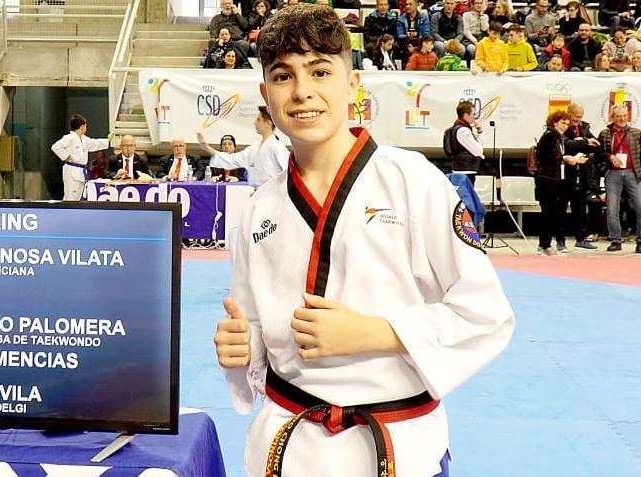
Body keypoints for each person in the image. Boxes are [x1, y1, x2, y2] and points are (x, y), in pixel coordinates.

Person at [214, 6, 514, 477]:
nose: (302, 92)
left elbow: (486, 314)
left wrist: (379, 333)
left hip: (396, 447)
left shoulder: (413, 181)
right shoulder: (258, 208)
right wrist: (243, 345)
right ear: (265, 95)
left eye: (319, 71)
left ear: (352, 85)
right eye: (282, 76)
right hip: (288, 445)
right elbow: (254, 322)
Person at [596, 104, 641, 253]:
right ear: (612, 117)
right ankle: (615, 239)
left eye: (624, 116)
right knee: (612, 208)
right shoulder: (605, 133)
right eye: (618, 116)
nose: (622, 119)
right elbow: (598, 153)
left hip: (633, 173)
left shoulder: (636, 133)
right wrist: (609, 156)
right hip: (612, 173)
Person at [197, 106, 288, 186]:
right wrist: (207, 148)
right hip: (258, 194)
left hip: (273, 196)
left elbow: (290, 174)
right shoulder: (253, 149)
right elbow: (232, 159)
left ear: (268, 124)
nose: (254, 122)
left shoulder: (277, 147)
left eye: (258, 119)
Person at [534, 110, 582, 255]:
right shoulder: (549, 136)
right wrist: (565, 158)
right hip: (546, 179)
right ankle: (544, 244)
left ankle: (545, 243)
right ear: (554, 122)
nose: (564, 126)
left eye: (567, 124)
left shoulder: (557, 137)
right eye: (562, 123)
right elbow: (546, 157)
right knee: (548, 212)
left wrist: (567, 159)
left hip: (554, 179)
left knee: (552, 213)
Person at [562, 102, 601, 250]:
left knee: (579, 208)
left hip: (582, 171)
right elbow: (566, 145)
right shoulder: (563, 127)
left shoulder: (584, 127)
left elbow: (594, 144)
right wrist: (583, 143)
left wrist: (583, 142)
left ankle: (581, 238)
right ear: (569, 114)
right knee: (562, 207)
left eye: (580, 116)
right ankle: (561, 240)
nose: (578, 119)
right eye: (575, 117)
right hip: (566, 173)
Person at [50, 114, 114, 200]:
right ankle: (67, 212)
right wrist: (66, 156)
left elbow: (94, 143)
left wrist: (107, 140)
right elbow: (55, 147)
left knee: (79, 196)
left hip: (81, 171)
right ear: (82, 126)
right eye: (85, 125)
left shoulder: (84, 139)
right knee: (71, 196)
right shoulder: (69, 138)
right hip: (71, 170)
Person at [445, 100, 485, 180]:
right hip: (465, 171)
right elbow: (478, 151)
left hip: (462, 170)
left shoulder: (457, 128)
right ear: (466, 115)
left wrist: (479, 131)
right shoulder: (463, 130)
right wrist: (480, 133)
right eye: (473, 114)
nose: (474, 117)